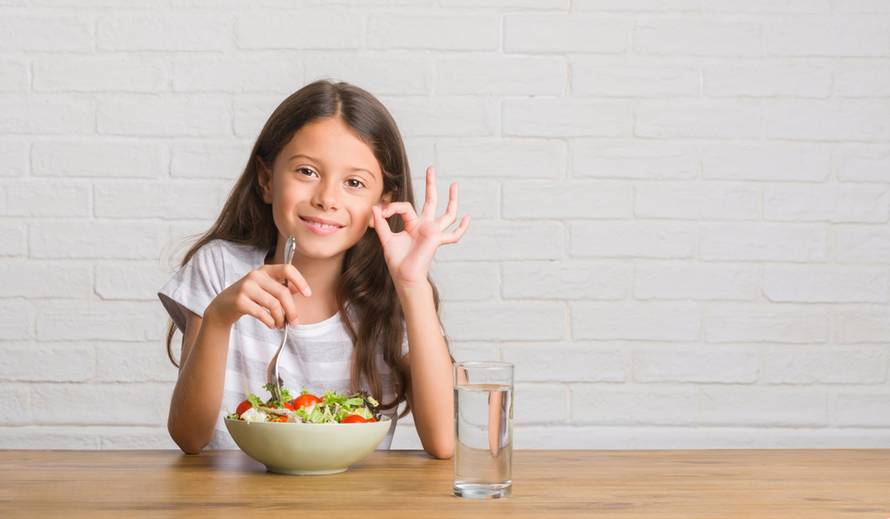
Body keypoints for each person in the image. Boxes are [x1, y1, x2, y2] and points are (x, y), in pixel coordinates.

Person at [157, 80, 470, 458]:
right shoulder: (220, 268)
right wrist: (220, 317)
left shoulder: (393, 296)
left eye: (354, 183)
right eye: (307, 172)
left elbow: (443, 443)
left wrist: (412, 285)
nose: (326, 199)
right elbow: (188, 437)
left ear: (383, 202)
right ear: (267, 180)